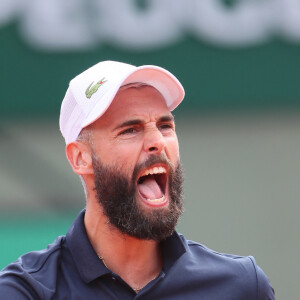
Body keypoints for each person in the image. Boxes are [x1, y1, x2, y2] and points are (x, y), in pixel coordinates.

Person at [0, 60, 275, 299]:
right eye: (130, 130)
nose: (157, 141)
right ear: (81, 158)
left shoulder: (241, 287)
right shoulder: (25, 291)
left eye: (165, 126)